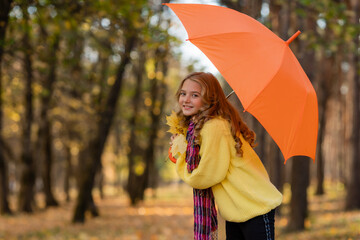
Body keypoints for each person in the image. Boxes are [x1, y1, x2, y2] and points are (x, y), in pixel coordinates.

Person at [167, 72, 283, 240]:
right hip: (235, 212)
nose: (186, 99)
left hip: (255, 206)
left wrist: (181, 161)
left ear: (210, 99)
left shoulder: (215, 126)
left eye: (195, 95)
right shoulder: (200, 127)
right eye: (183, 93)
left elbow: (207, 175)